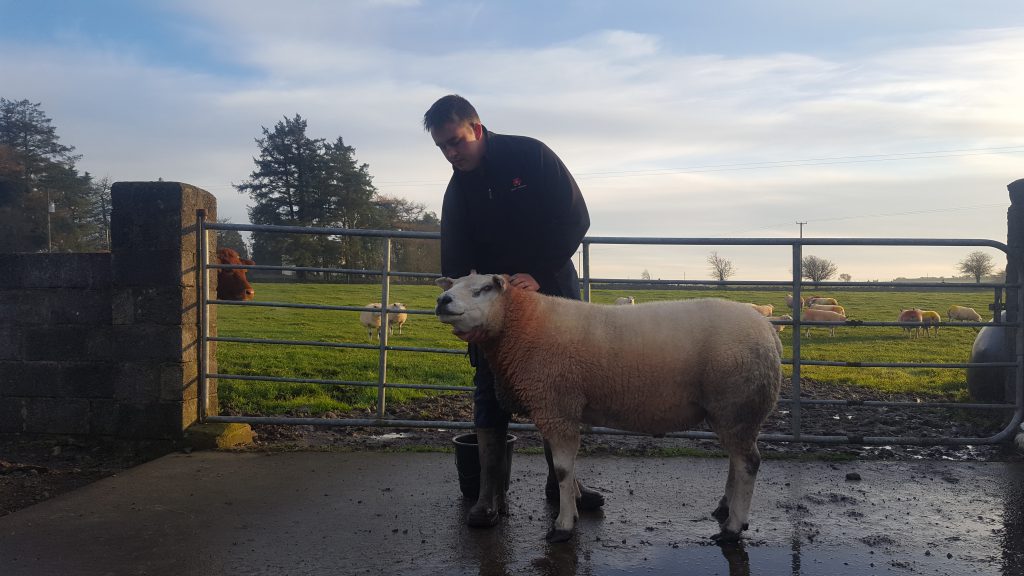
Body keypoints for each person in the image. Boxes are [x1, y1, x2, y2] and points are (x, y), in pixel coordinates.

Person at [423, 94, 605, 528]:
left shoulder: (531, 155)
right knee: (490, 385)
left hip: (549, 285)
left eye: (456, 142)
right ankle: (488, 496)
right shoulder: (458, 189)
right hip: (489, 300)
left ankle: (564, 485)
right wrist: (463, 315)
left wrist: (536, 272)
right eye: (442, 147)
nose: (451, 153)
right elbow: (454, 264)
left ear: (477, 129)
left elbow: (574, 217)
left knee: (560, 385)